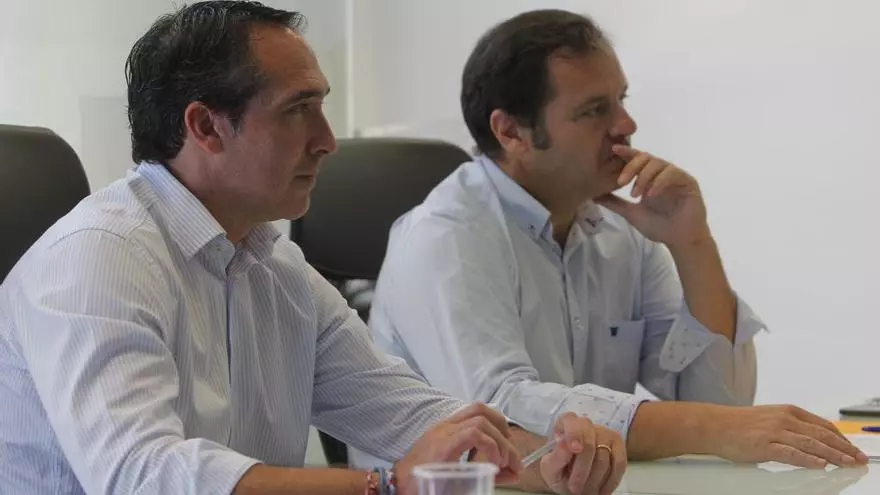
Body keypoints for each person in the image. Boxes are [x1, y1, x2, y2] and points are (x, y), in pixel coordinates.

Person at [0, 2, 624, 494]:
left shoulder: (272, 263)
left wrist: (545, 459)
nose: (327, 140)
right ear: (206, 126)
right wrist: (385, 486)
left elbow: (405, 412)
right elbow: (140, 476)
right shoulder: (98, 257)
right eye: (298, 110)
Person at [360, 9, 868, 469]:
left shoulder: (620, 228)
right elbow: (500, 412)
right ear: (512, 132)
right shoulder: (445, 237)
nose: (626, 125)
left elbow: (725, 404)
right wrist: (707, 426)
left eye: (620, 101)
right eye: (593, 111)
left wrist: (692, 244)